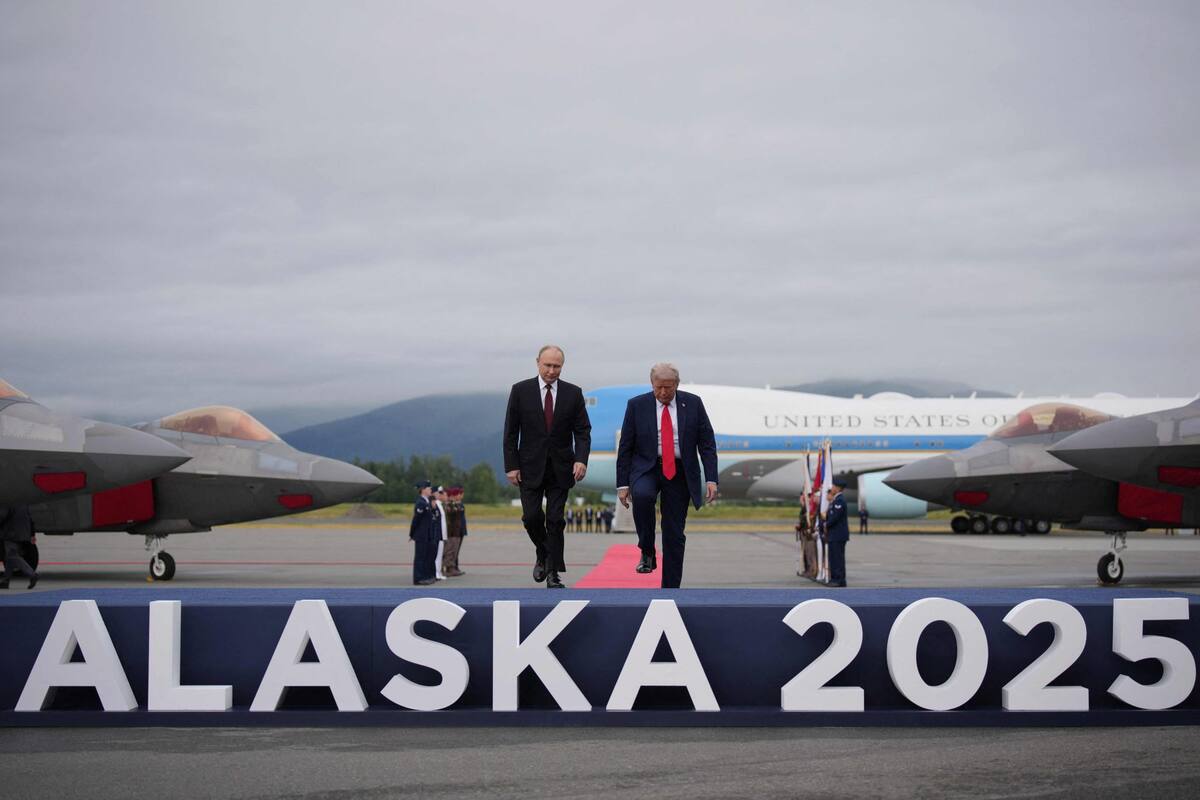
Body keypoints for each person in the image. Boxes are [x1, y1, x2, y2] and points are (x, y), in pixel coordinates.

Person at [616, 363, 718, 589]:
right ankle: (647, 550)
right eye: (659, 387)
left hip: (680, 471)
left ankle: (671, 588)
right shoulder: (636, 405)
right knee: (642, 496)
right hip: (647, 467)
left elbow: (707, 443)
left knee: (673, 532)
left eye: (668, 388)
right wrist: (622, 484)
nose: (663, 393)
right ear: (652, 384)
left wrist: (711, 479)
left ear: (677, 385)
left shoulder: (692, 403)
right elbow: (625, 447)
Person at [503, 344, 592, 589]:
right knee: (531, 517)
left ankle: (553, 573)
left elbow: (583, 431)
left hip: (561, 468)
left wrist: (581, 459)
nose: (552, 371)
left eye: (557, 366)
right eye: (548, 365)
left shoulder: (573, 393)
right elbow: (511, 432)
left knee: (555, 519)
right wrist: (511, 466)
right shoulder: (521, 391)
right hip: (529, 466)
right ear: (538, 363)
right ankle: (543, 553)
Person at [0, 505, 38, 590]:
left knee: (12, 556)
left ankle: (32, 574)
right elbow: (30, 519)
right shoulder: (22, 502)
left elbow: (2, 516)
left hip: (11, 533)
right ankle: (6, 581)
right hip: (23, 532)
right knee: (9, 558)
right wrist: (32, 533)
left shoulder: (8, 502)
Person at [409, 481, 438, 586]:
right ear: (423, 489)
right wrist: (412, 534)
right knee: (420, 558)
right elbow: (416, 520)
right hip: (421, 535)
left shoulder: (426, 502)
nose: (430, 489)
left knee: (426, 557)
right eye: (428, 488)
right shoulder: (420, 503)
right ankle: (418, 579)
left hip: (427, 535)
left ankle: (425, 577)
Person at [825, 480, 850, 587]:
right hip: (835, 534)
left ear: (838, 488)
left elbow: (835, 517)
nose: (832, 488)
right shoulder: (836, 501)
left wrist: (826, 524)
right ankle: (837, 579)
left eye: (834, 486)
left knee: (837, 558)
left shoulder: (839, 501)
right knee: (834, 557)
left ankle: (838, 579)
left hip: (837, 534)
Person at [442, 486, 468, 577]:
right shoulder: (449, 505)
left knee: (454, 550)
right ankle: (448, 568)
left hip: (457, 531)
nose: (461, 496)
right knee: (449, 550)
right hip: (451, 532)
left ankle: (452, 567)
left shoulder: (456, 505)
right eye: (459, 494)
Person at [433, 486, 449, 580]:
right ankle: (436, 572)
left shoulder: (440, 505)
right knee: (437, 555)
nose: (440, 495)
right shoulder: (436, 505)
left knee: (439, 555)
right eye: (439, 493)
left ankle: (438, 572)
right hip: (438, 534)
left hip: (442, 534)